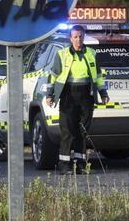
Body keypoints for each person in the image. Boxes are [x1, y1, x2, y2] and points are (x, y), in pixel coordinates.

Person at [45, 25, 109, 174]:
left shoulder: (92, 53)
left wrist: (103, 93)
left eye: (80, 36)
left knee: (83, 131)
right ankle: (64, 165)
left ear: (84, 36)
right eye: (75, 37)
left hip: (86, 95)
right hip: (68, 94)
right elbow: (52, 76)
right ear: (70, 38)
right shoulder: (62, 54)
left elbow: (99, 76)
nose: (78, 39)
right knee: (68, 131)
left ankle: (80, 164)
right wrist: (50, 94)